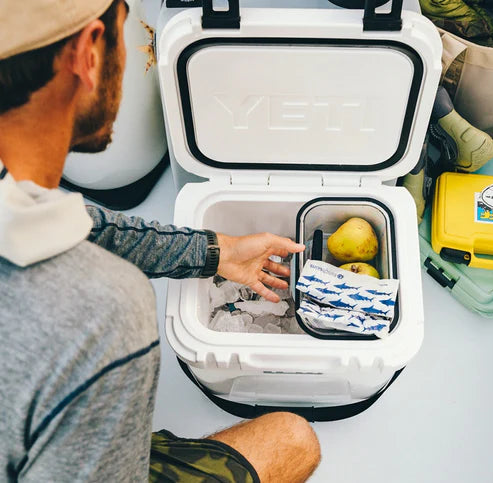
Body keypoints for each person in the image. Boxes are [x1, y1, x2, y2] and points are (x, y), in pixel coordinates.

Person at [0, 1, 321, 481]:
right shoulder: (103, 311)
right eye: (131, 31)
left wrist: (217, 252)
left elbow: (88, 228)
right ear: (89, 53)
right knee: (293, 440)